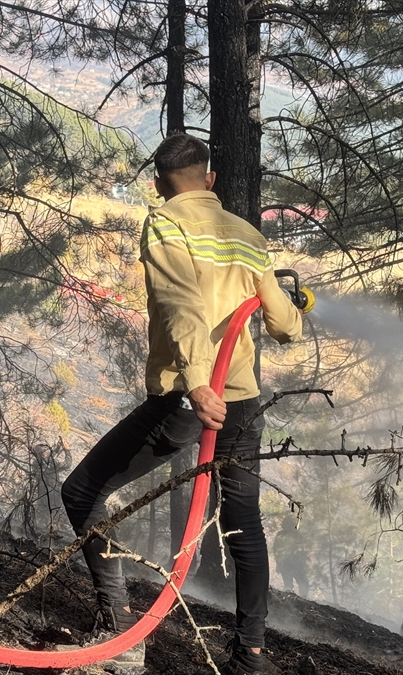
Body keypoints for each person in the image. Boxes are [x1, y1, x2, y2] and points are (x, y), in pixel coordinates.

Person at [59, 133, 303, 675]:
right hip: (242, 402)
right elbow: (285, 324)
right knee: (243, 522)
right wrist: (293, 307)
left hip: (191, 400)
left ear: (157, 184)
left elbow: (180, 304)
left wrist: (196, 382)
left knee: (82, 491)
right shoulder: (245, 233)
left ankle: (117, 632)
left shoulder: (166, 223)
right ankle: (252, 654)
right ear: (210, 178)